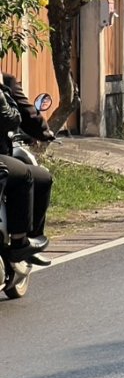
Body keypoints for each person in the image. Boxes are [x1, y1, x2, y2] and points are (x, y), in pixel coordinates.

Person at [0, 75, 55, 265]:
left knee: (41, 177)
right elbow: (14, 118)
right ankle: (20, 243)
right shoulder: (4, 83)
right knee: (26, 175)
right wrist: (44, 132)